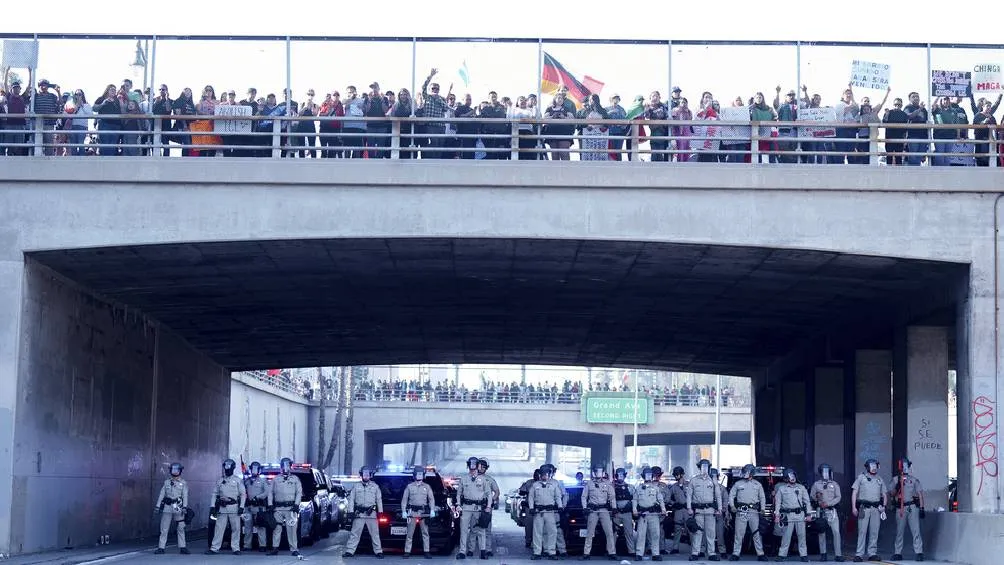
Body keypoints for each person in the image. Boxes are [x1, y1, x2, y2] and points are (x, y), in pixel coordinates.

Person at [207, 458, 247, 555]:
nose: (227, 469)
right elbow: (214, 494)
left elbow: (243, 494)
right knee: (219, 529)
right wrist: (212, 506)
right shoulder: (220, 481)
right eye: (226, 467)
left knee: (236, 529)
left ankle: (236, 548)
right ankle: (214, 548)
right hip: (222, 508)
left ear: (233, 468)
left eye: (229, 467)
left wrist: (241, 507)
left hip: (234, 508)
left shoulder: (238, 480)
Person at [728, 464, 767, 562]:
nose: (745, 473)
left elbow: (762, 497)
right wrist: (732, 506)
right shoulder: (738, 484)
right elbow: (731, 495)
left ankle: (760, 554)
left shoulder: (757, 485)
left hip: (753, 512)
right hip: (741, 511)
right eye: (745, 471)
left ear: (751, 473)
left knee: (756, 533)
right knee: (739, 533)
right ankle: (736, 554)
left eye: (747, 472)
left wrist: (763, 508)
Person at [851, 459, 888, 562]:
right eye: (872, 466)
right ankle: (859, 554)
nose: (874, 468)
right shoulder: (861, 477)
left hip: (876, 509)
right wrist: (854, 507)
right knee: (862, 531)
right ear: (867, 467)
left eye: (875, 465)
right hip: (864, 508)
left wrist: (884, 506)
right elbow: (854, 492)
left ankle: (872, 553)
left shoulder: (879, 479)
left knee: (874, 531)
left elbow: (884, 494)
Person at [344, 465, 384, 558]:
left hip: (371, 514)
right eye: (364, 474)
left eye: (368, 474)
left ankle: (378, 551)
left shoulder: (375, 487)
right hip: (359, 514)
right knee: (355, 534)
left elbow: (379, 500)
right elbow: (351, 500)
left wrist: (380, 512)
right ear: (361, 475)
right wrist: (350, 512)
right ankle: (350, 551)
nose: (366, 476)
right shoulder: (356, 486)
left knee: (375, 534)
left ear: (370, 475)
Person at [687, 459, 723, 562]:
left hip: (710, 510)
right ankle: (695, 553)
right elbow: (689, 495)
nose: (704, 469)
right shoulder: (694, 480)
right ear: (699, 468)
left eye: (706, 467)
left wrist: (719, 508)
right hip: (698, 510)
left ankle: (711, 553)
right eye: (702, 467)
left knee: (711, 533)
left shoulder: (713, 480)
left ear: (709, 468)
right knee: (697, 532)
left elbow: (718, 495)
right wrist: (689, 508)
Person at [456, 456, 491, 559]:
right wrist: (458, 504)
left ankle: (482, 551)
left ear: (477, 467)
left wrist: (488, 506)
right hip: (466, 508)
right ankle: (462, 551)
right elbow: (459, 494)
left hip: (478, 508)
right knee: (463, 530)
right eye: (471, 467)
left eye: (474, 467)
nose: (472, 470)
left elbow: (489, 494)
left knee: (480, 530)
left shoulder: (483, 480)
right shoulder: (464, 479)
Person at [890, 457, 925, 562]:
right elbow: (891, 494)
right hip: (900, 508)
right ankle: (897, 553)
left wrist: (922, 508)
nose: (905, 468)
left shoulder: (914, 480)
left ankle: (919, 552)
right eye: (904, 465)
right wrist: (897, 485)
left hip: (912, 507)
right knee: (899, 531)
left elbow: (920, 494)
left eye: (907, 466)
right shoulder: (895, 479)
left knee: (916, 530)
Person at [268, 457, 304, 557]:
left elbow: (299, 492)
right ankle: (275, 548)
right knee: (277, 528)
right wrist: (270, 504)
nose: (285, 468)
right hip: (278, 508)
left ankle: (294, 549)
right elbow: (270, 492)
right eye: (283, 466)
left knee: (292, 529)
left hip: (290, 508)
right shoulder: (276, 479)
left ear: (290, 466)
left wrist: (296, 504)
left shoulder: (295, 479)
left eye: (287, 465)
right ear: (281, 467)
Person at [774, 468, 811, 562]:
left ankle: (803, 555)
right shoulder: (782, 489)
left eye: (793, 476)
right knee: (786, 536)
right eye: (790, 476)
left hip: (800, 515)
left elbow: (807, 502)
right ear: (786, 478)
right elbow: (778, 503)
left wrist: (808, 514)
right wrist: (777, 515)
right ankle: (782, 555)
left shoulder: (801, 488)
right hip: (788, 515)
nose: (792, 478)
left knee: (801, 536)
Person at [581, 465, 617, 560]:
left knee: (609, 532)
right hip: (593, 510)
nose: (599, 473)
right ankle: (586, 553)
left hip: (604, 510)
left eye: (601, 471)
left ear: (603, 473)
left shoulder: (607, 483)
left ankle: (612, 552)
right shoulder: (589, 484)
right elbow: (584, 497)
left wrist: (614, 507)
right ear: (594, 473)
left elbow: (612, 497)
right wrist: (585, 507)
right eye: (597, 471)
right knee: (590, 532)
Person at [529, 464, 564, 560]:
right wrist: (531, 508)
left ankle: (551, 552)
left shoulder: (554, 485)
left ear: (549, 475)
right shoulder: (535, 485)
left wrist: (560, 506)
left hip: (550, 512)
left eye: (546, 474)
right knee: (537, 532)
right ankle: (537, 552)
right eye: (543, 474)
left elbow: (558, 496)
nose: (545, 476)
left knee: (552, 532)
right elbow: (531, 497)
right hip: (538, 512)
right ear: (540, 475)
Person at [154, 462, 190, 555]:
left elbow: (185, 496)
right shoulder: (166, 482)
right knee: (164, 528)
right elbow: (162, 494)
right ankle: (161, 547)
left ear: (180, 471)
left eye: (177, 470)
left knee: (181, 527)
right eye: (173, 469)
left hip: (178, 507)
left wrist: (185, 507)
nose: (175, 471)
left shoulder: (183, 483)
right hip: (167, 507)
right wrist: (158, 506)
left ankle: (182, 547)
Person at [810, 463, 843, 562]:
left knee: (836, 532)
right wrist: (817, 498)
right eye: (824, 471)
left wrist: (829, 503)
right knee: (821, 533)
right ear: (820, 473)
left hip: (832, 511)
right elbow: (812, 496)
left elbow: (838, 497)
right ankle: (823, 554)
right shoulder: (816, 484)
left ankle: (838, 555)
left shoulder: (835, 484)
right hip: (821, 511)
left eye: (827, 471)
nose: (825, 473)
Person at [634, 466, 667, 561]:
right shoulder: (639, 488)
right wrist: (634, 509)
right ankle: (639, 554)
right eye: (646, 475)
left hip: (653, 514)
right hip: (643, 515)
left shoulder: (656, 488)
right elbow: (635, 500)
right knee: (641, 535)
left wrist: (663, 509)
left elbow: (660, 499)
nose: (648, 477)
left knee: (655, 534)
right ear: (643, 476)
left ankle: (655, 554)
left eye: (650, 475)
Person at [403, 466, 435, 559]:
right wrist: (404, 511)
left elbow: (431, 499)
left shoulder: (427, 487)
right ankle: (407, 551)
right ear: (414, 475)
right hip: (412, 512)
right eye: (418, 474)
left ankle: (426, 551)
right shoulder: (409, 486)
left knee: (425, 533)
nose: (420, 476)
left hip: (423, 512)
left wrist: (432, 510)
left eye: (421, 474)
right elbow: (404, 500)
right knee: (410, 533)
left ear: (423, 475)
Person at [471, 458, 500, 557]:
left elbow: (497, 492)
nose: (482, 468)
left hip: (486, 507)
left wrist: (491, 502)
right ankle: (471, 549)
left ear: (486, 468)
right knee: (473, 529)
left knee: (487, 529)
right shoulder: (472, 478)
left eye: (484, 467)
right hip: (474, 507)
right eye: (480, 466)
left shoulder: (489, 479)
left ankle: (488, 549)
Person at [243, 461, 270, 552]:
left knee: (260, 526)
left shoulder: (263, 481)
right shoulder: (247, 481)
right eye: (253, 469)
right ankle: (247, 545)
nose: (254, 471)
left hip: (259, 507)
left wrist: (258, 497)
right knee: (247, 527)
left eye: (256, 469)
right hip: (248, 507)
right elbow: (243, 491)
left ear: (259, 470)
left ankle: (262, 545)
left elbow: (267, 492)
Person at [611, 467, 637, 556]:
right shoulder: (612, 487)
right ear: (616, 476)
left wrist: (632, 508)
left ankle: (631, 551)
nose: (620, 477)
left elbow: (634, 499)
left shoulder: (630, 487)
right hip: (616, 513)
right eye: (619, 475)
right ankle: (611, 551)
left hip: (627, 513)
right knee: (613, 532)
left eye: (622, 475)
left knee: (629, 532)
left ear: (625, 476)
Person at [667, 466, 690, 554]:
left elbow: (695, 496)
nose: (676, 476)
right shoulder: (674, 487)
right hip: (679, 510)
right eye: (675, 474)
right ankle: (675, 548)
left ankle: (695, 549)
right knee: (677, 529)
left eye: (677, 474)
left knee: (690, 529)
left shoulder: (689, 485)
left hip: (688, 510)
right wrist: (674, 503)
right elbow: (668, 498)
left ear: (682, 474)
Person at [709, 469, 729, 559]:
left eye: (715, 477)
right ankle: (703, 550)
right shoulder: (706, 488)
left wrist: (723, 510)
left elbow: (725, 500)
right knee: (707, 533)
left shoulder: (722, 488)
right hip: (708, 513)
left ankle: (722, 551)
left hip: (719, 513)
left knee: (720, 533)